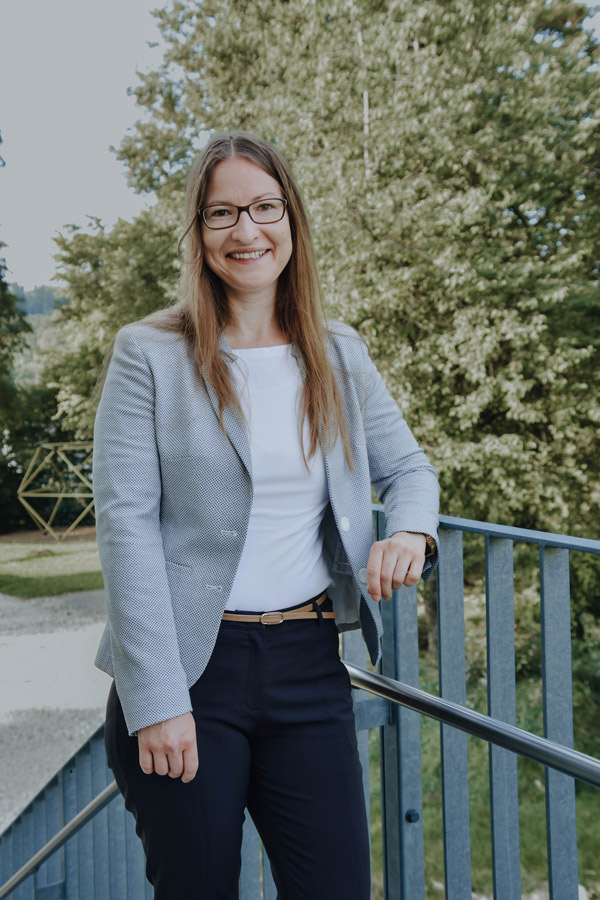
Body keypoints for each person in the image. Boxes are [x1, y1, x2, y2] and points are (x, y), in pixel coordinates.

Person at [93, 131, 439, 900]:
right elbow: (124, 528)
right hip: (189, 672)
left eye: (264, 208)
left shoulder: (338, 353)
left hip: (309, 666)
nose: (246, 231)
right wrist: (158, 702)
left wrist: (410, 530)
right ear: (198, 232)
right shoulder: (148, 354)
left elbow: (410, 468)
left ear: (292, 222)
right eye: (222, 213)